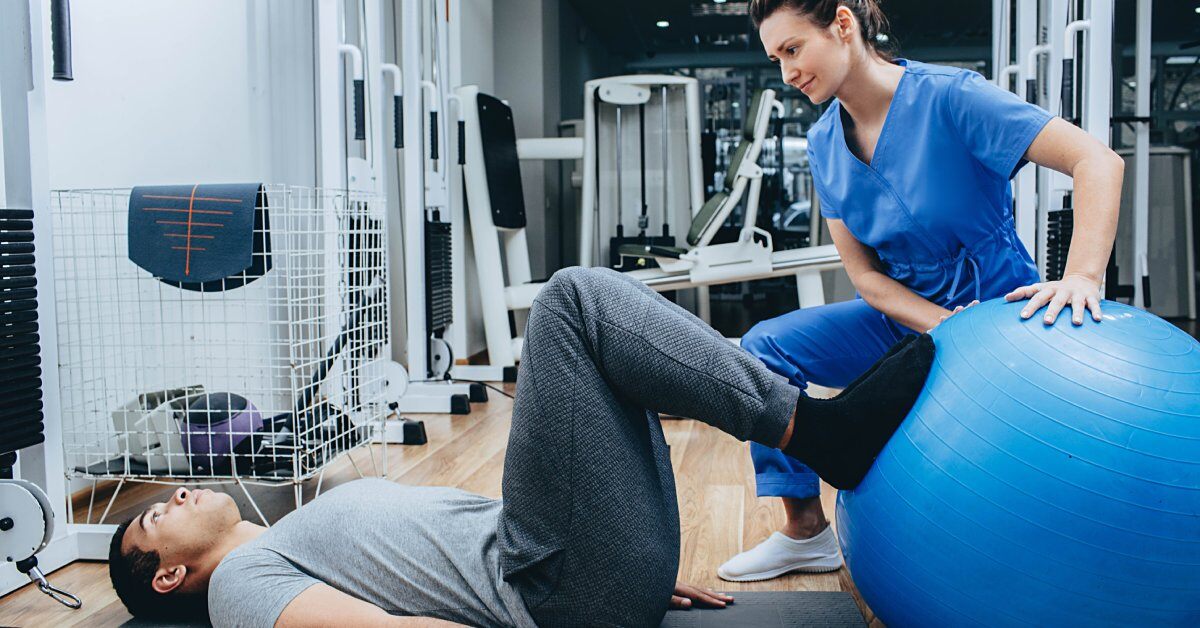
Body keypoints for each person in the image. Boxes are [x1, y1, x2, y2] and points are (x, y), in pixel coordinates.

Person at [109, 267, 935, 628]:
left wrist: (622, 554)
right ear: (173, 575)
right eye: (155, 522)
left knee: (607, 351)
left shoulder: (293, 533)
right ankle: (820, 432)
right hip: (553, 593)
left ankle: (812, 427)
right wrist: (594, 593)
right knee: (572, 301)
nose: (175, 495)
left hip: (572, 566)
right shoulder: (240, 590)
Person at [716, 0, 1123, 583]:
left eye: (793, 49)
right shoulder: (825, 143)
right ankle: (805, 531)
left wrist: (1082, 277)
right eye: (776, 57)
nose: (786, 73)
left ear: (843, 23)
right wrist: (941, 325)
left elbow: (1097, 161)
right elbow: (867, 279)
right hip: (906, 316)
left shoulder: (951, 97)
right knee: (762, 350)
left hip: (998, 309)